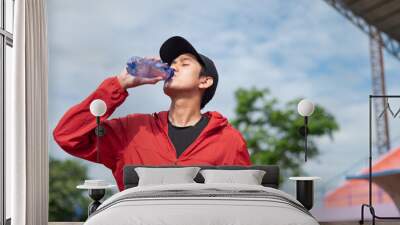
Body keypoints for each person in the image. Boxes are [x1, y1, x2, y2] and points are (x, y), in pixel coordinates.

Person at [53, 36, 252, 192]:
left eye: (184, 63)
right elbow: (68, 135)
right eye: (172, 64)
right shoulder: (132, 131)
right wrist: (119, 84)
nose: (173, 67)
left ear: (204, 81)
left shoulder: (228, 141)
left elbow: (244, 203)